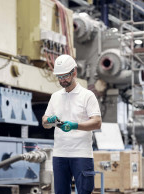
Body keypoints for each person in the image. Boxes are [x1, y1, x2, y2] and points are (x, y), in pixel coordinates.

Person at [42, 54, 102, 194]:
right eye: (59, 77)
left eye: (65, 76)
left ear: (74, 72)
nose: (62, 80)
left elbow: (97, 122)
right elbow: (44, 122)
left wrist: (75, 126)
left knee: (84, 191)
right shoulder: (55, 97)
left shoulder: (87, 95)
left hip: (81, 154)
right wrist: (49, 121)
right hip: (60, 154)